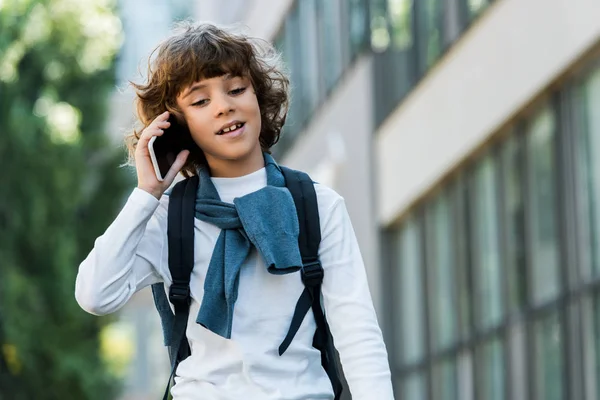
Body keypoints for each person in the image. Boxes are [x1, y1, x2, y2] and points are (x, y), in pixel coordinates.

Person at [75, 21, 394, 400]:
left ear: (257, 95)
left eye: (236, 89)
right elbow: (96, 295)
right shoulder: (171, 219)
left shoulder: (316, 205)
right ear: (176, 126)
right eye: (200, 101)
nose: (224, 106)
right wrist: (148, 193)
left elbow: (357, 332)